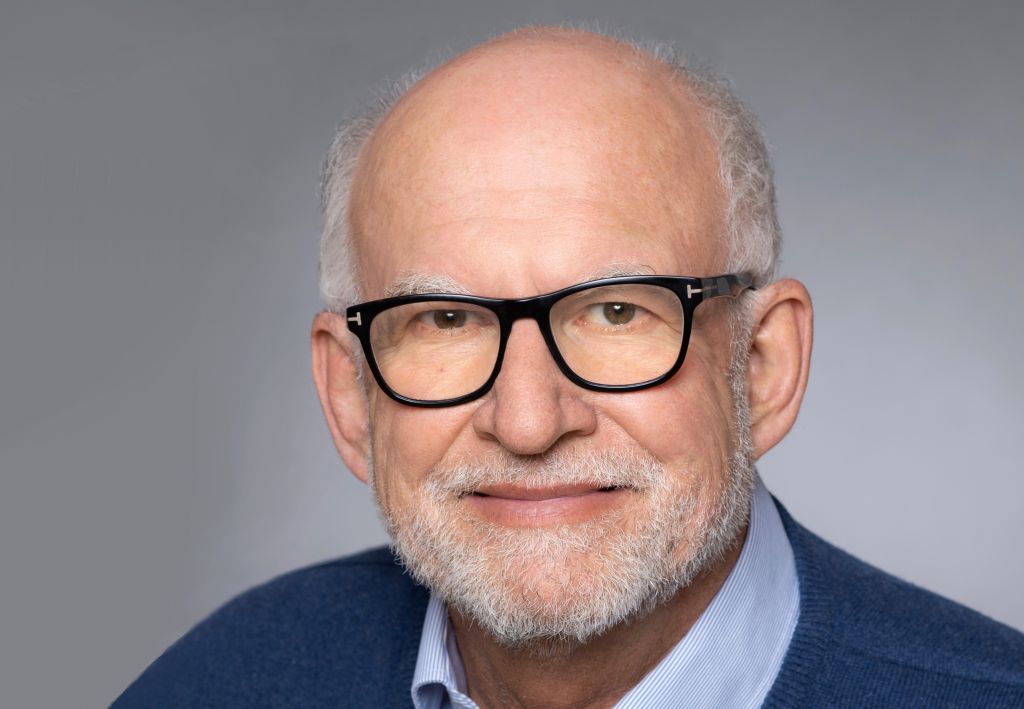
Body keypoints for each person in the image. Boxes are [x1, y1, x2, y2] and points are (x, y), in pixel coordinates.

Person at [113, 27, 1024, 708]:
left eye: (616, 311)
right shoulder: (223, 683)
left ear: (762, 365)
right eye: (446, 319)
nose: (528, 420)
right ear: (351, 397)